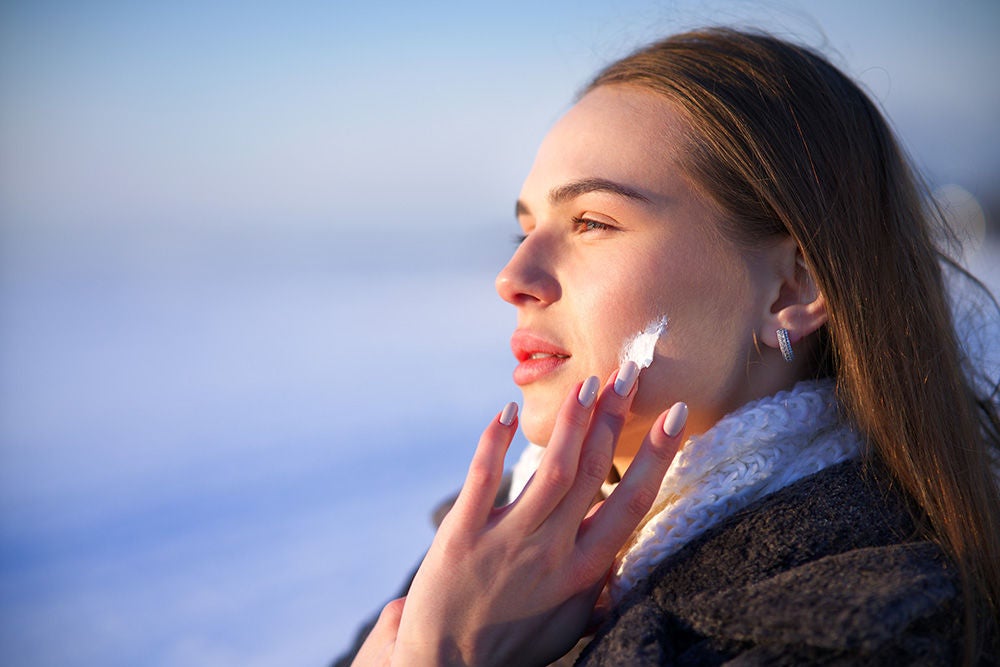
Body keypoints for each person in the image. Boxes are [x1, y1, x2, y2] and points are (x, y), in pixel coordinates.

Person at [339, 27, 1000, 666]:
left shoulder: (884, 629)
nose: (513, 279)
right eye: (525, 231)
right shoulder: (484, 565)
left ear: (789, 290)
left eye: (592, 221)